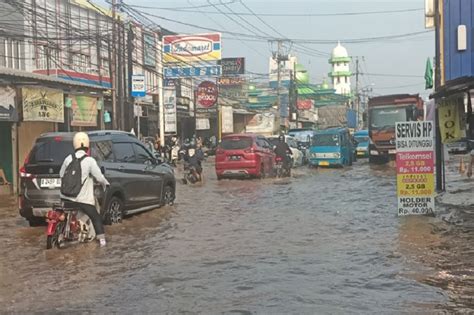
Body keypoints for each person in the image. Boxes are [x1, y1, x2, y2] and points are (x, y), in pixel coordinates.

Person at [59, 132, 110, 247]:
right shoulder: (90, 161)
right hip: (82, 200)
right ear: (87, 146)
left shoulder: (68, 159)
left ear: (74, 145)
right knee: (96, 217)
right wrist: (105, 183)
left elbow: (61, 174)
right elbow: (99, 177)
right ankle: (102, 243)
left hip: (65, 198)